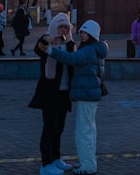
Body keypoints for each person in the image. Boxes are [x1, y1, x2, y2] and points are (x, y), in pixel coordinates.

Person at [40, 19, 108, 175]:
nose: (81, 35)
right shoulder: (96, 48)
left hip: (87, 95)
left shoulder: (89, 50)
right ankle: (87, 162)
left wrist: (51, 51)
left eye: (84, 33)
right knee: (88, 131)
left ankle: (88, 166)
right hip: (90, 95)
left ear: (91, 34)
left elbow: (71, 59)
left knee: (84, 132)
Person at [29, 12, 76, 175]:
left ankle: (56, 158)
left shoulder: (71, 45)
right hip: (49, 93)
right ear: (55, 27)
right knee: (49, 128)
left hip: (64, 93)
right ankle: (46, 163)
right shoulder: (47, 44)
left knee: (59, 128)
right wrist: (45, 38)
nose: (63, 30)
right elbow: (38, 47)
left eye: (65, 27)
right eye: (60, 26)